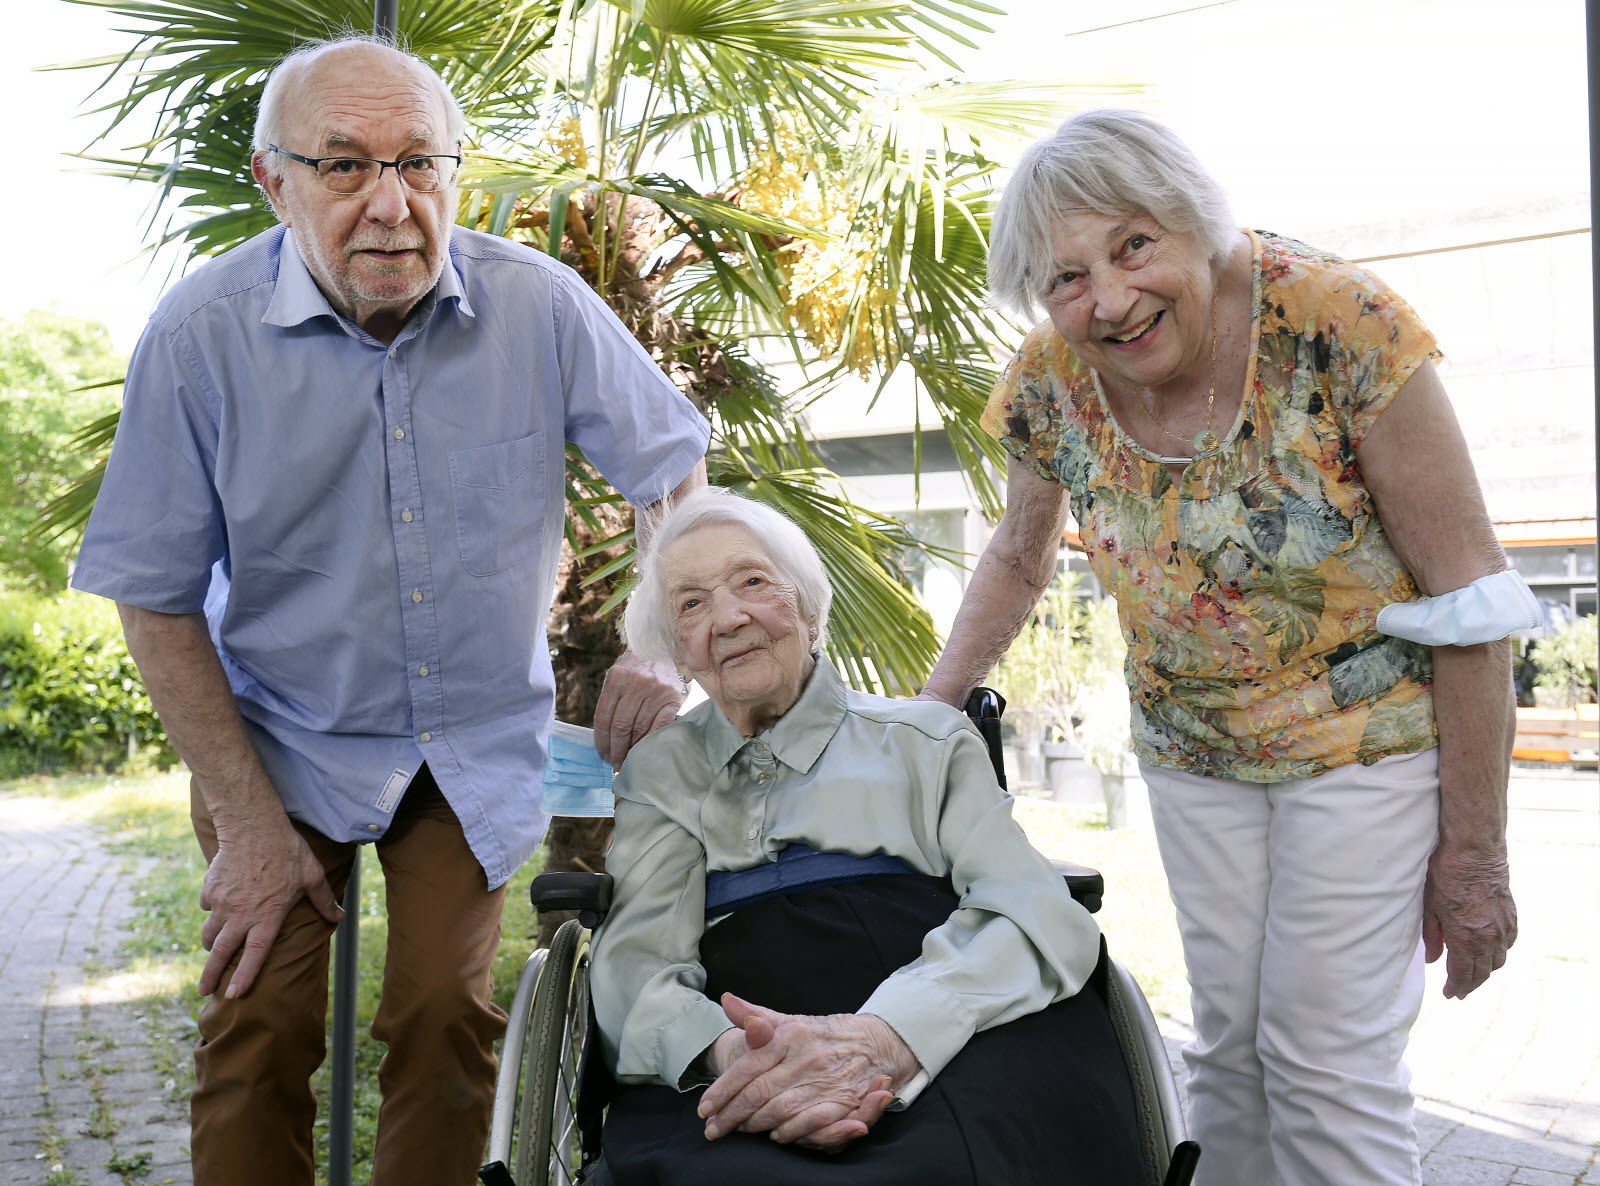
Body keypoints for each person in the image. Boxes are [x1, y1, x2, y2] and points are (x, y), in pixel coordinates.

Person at [68, 35, 708, 1186]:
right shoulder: (200, 335)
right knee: (256, 1030)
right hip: (279, 735)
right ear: (275, 181)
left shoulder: (538, 306)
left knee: (441, 1024)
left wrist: (658, 642)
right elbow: (154, 598)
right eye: (346, 166)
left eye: (421, 164)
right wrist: (249, 825)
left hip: (464, 737)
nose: (392, 205)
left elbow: (673, 465)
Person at [916, 109, 1529, 1186]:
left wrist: (1473, 855)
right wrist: (931, 713)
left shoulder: (1339, 322)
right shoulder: (1054, 373)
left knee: (1323, 1060)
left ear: (1197, 223)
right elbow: (1017, 556)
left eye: (1133, 246)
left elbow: (1471, 604)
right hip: (1191, 748)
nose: (1106, 299)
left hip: (1362, 742)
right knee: (1231, 1052)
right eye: (1065, 277)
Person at [586, 486, 1146, 1186]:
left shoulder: (927, 739)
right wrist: (742, 1058)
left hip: (958, 1015)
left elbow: (1029, 910)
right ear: (678, 651)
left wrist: (888, 1035)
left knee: (986, 1154)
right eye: (692, 603)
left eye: (753, 581)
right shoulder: (660, 776)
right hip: (745, 1033)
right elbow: (635, 968)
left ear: (810, 606)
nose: (728, 618)